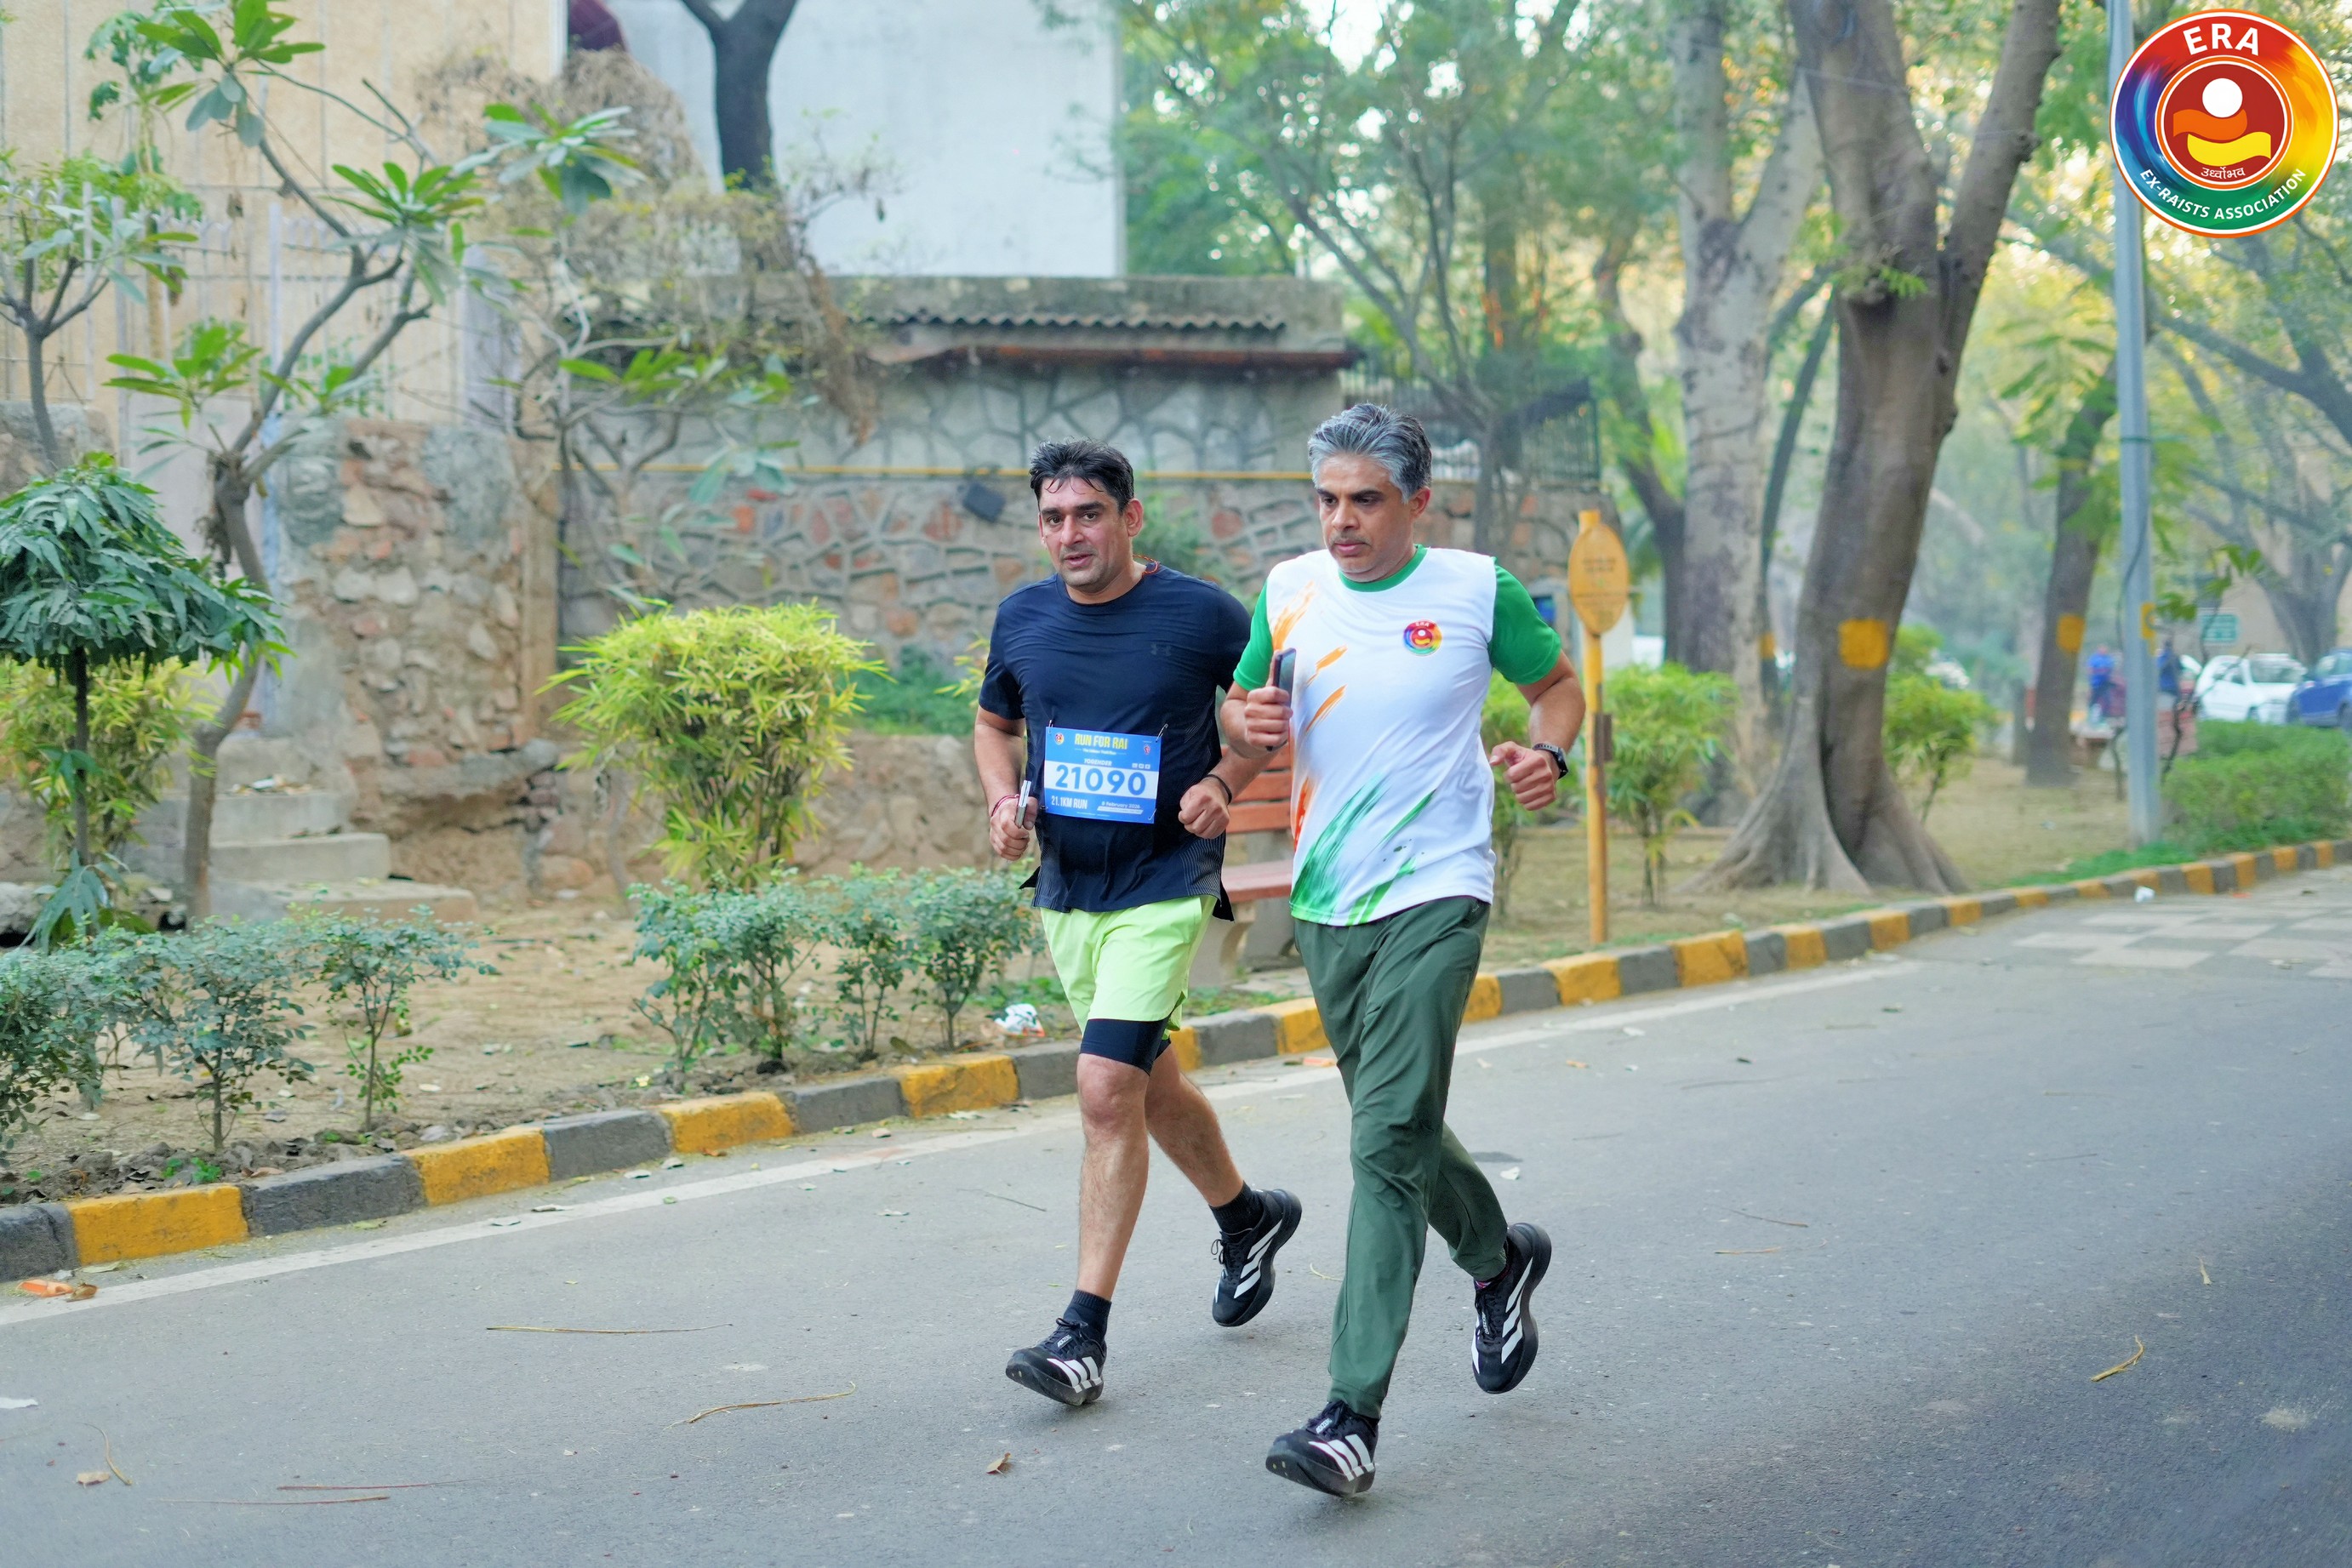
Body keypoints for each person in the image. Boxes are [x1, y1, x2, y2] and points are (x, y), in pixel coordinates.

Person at [1222, 404, 1587, 1498]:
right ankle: (1500, 1258)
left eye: (1366, 500)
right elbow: (1246, 716)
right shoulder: (1289, 590)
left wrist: (1549, 757)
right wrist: (1231, 746)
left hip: (1438, 891)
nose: (1342, 520)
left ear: (1418, 503)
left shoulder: (1476, 590)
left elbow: (1556, 690)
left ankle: (1349, 1415)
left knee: (1382, 1140)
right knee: (1400, 1125)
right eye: (1327, 499)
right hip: (1327, 904)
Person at [975, 438, 1303, 1410]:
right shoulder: (1022, 617)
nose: (1069, 534)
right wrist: (1001, 801)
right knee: (1145, 1080)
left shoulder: (1201, 614)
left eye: (1088, 514)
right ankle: (1246, 1217)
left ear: (1130, 517)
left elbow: (1265, 714)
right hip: (1067, 887)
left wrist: (1223, 781)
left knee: (1104, 1087)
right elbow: (995, 724)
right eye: (1053, 518)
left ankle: (1082, 1334)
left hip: (1165, 882)